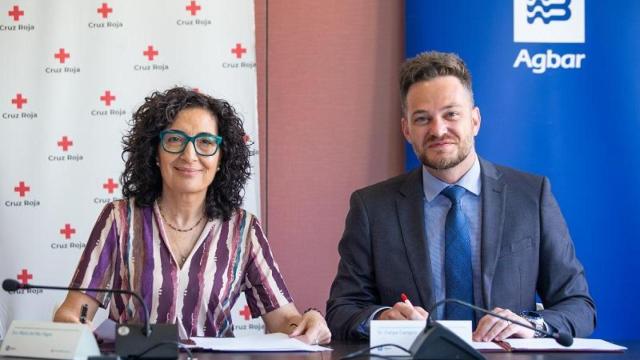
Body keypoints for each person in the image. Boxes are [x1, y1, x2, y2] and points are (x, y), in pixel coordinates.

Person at [326, 51, 596, 342]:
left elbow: (579, 306)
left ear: (475, 120)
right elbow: (342, 310)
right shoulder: (372, 208)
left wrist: (529, 324)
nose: (438, 130)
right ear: (407, 130)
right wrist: (381, 318)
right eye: (422, 119)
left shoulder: (531, 197)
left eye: (451, 114)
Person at [54, 87, 331, 344]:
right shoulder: (119, 219)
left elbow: (283, 320)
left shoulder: (243, 229)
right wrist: (75, 328)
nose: (190, 155)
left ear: (221, 157)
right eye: (175, 140)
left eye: (205, 142)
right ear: (155, 152)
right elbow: (73, 313)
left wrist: (309, 321)